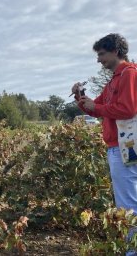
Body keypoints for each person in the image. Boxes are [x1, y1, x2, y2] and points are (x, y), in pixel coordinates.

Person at [72, 34, 137, 251]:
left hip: (125, 147)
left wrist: (96, 108)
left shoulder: (128, 74)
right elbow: (95, 106)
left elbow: (127, 109)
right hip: (119, 147)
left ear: (115, 51)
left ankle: (132, 250)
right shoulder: (113, 81)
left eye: (101, 54)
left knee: (128, 205)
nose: (99, 60)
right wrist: (80, 96)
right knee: (129, 202)